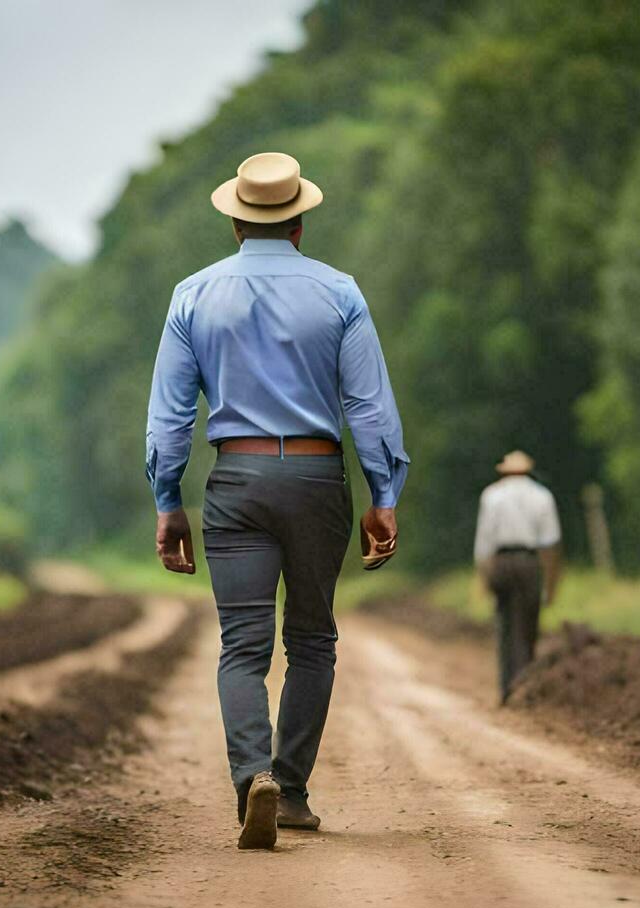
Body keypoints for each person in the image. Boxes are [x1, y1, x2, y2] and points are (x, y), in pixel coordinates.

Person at [145, 152, 409, 850]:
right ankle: (290, 792)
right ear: (299, 222)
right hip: (320, 479)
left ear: (235, 220)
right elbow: (370, 409)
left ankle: (251, 776)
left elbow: (169, 420)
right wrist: (384, 494)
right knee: (313, 639)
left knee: (243, 646)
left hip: (236, 481)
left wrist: (168, 499)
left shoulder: (193, 295)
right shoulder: (341, 293)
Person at [473, 451, 561, 703]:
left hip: (501, 561)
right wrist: (550, 585)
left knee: (505, 621)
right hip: (528, 561)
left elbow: (484, 542)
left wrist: (484, 575)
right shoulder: (542, 496)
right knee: (528, 623)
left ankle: (506, 687)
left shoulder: (491, 495)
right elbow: (550, 543)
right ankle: (526, 683)